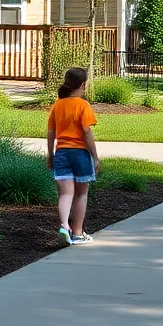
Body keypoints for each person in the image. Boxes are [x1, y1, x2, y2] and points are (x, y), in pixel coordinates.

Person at [47, 67, 101, 246]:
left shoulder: (58, 105)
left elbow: (51, 132)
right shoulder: (83, 105)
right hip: (80, 154)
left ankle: (64, 226)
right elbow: (87, 132)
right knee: (81, 194)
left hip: (61, 153)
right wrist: (95, 156)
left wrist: (50, 154)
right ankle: (77, 233)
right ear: (83, 85)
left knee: (65, 193)